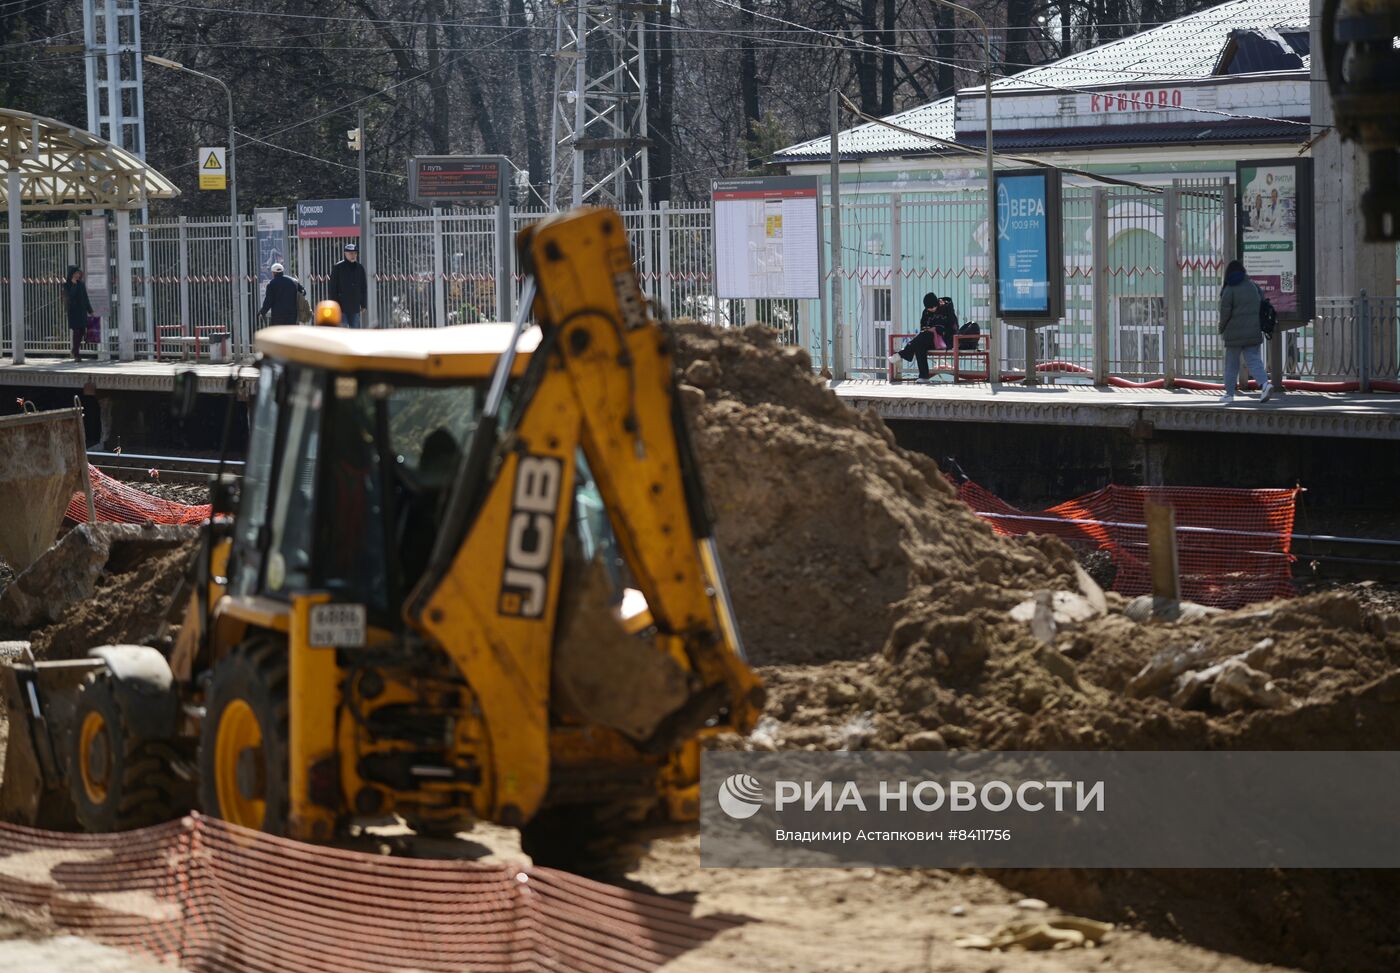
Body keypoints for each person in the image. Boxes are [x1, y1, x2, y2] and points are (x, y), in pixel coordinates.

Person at [1217, 259, 1274, 404]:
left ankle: (1229, 394)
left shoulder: (1229, 289)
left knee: (1232, 364)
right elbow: (1263, 305)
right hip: (1253, 331)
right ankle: (1265, 384)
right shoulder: (1253, 286)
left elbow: (1225, 314)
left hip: (1233, 334)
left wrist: (1221, 328)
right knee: (1254, 360)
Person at [888, 292, 943, 383]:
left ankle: (902, 354)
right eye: (929, 308)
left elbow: (951, 327)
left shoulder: (945, 309)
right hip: (928, 339)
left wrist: (936, 329)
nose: (931, 310)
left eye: (933, 307)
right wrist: (927, 329)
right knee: (919, 345)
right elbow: (923, 326)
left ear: (936, 304)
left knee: (922, 338)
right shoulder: (926, 312)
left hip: (942, 340)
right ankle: (924, 377)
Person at [328, 242, 369, 328]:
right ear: (345, 254)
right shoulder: (338, 267)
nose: (353, 255)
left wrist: (364, 304)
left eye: (355, 253)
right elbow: (332, 289)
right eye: (350, 253)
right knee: (343, 330)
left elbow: (363, 287)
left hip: (355, 306)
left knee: (355, 331)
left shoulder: (360, 268)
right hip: (341, 306)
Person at [63, 266, 93, 361]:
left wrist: (90, 310)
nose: (77, 275)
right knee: (76, 331)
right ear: (71, 274)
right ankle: (76, 354)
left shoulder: (81, 284)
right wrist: (74, 285)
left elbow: (85, 297)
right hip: (73, 311)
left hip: (82, 311)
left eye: (78, 273)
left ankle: (75, 349)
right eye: (75, 273)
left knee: (81, 332)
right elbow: (70, 297)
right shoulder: (67, 284)